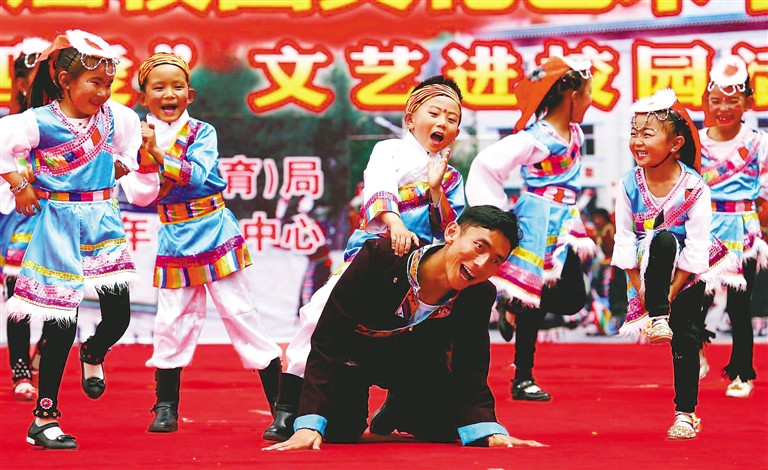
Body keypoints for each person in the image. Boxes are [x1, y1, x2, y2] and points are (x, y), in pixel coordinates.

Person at [263, 75, 466, 441]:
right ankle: (287, 408)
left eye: (452, 118)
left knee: (427, 335)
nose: (442, 123)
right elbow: (379, 186)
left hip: (419, 273)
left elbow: (452, 230)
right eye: (434, 112)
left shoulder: (450, 177)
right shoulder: (389, 150)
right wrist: (395, 223)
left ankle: (404, 403)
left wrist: (436, 192)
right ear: (409, 118)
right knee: (319, 317)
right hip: (374, 256)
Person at [264, 206, 544, 451]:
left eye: (496, 260)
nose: (482, 264)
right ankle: (293, 407)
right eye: (479, 247)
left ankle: (400, 407)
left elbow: (471, 364)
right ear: (452, 233)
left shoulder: (479, 293)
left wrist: (488, 430)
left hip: (415, 366)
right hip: (354, 360)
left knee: (447, 429)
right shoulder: (379, 258)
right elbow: (328, 339)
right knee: (339, 431)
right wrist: (310, 423)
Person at [0, 30, 143, 449]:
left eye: (107, 84)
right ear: (65, 80)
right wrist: (19, 184)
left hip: (102, 223)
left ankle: (95, 352)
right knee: (62, 322)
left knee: (119, 316)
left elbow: (128, 155)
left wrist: (109, 176)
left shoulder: (119, 118)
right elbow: (2, 148)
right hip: (57, 223)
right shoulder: (37, 122)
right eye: (93, 83)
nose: (102, 92)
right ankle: (44, 418)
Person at [132, 52, 283, 433]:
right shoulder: (134, 137)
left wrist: (155, 154)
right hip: (173, 238)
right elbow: (138, 193)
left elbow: (197, 176)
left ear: (191, 94)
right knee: (171, 320)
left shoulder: (202, 133)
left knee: (240, 313)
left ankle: (282, 407)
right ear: (143, 98)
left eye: (177, 87)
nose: (170, 94)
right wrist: (140, 159)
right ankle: (165, 406)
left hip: (213, 229)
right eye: (159, 88)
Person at [465, 56, 596, 402]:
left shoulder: (574, 133)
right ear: (570, 93)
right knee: (537, 297)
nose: (590, 99)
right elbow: (486, 164)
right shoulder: (539, 138)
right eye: (587, 92)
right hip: (538, 219)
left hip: (564, 219)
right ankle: (522, 377)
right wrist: (494, 215)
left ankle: (514, 306)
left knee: (572, 299)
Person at [612, 88, 732, 439]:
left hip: (686, 274)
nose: (637, 141)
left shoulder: (695, 188)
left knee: (685, 338)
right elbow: (623, 238)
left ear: (676, 143)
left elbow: (696, 248)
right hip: (645, 273)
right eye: (634, 133)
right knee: (658, 241)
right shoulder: (628, 183)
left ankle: (685, 414)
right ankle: (661, 318)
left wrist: (668, 294)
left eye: (647, 134)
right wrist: (645, 295)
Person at [697, 55, 768, 398]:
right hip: (706, 227)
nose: (723, 108)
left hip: (744, 229)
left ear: (747, 102)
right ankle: (693, 349)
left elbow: (766, 192)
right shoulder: (695, 142)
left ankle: (742, 371)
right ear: (706, 102)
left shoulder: (758, 143)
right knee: (695, 297)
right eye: (716, 101)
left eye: (733, 100)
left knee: (739, 305)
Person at [2, 38, 50, 403]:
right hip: (16, 218)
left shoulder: (66, 123)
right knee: (18, 293)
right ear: (21, 83)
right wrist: (22, 181)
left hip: (58, 217)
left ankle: (45, 355)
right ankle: (20, 369)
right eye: (39, 79)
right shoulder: (9, 125)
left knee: (60, 294)